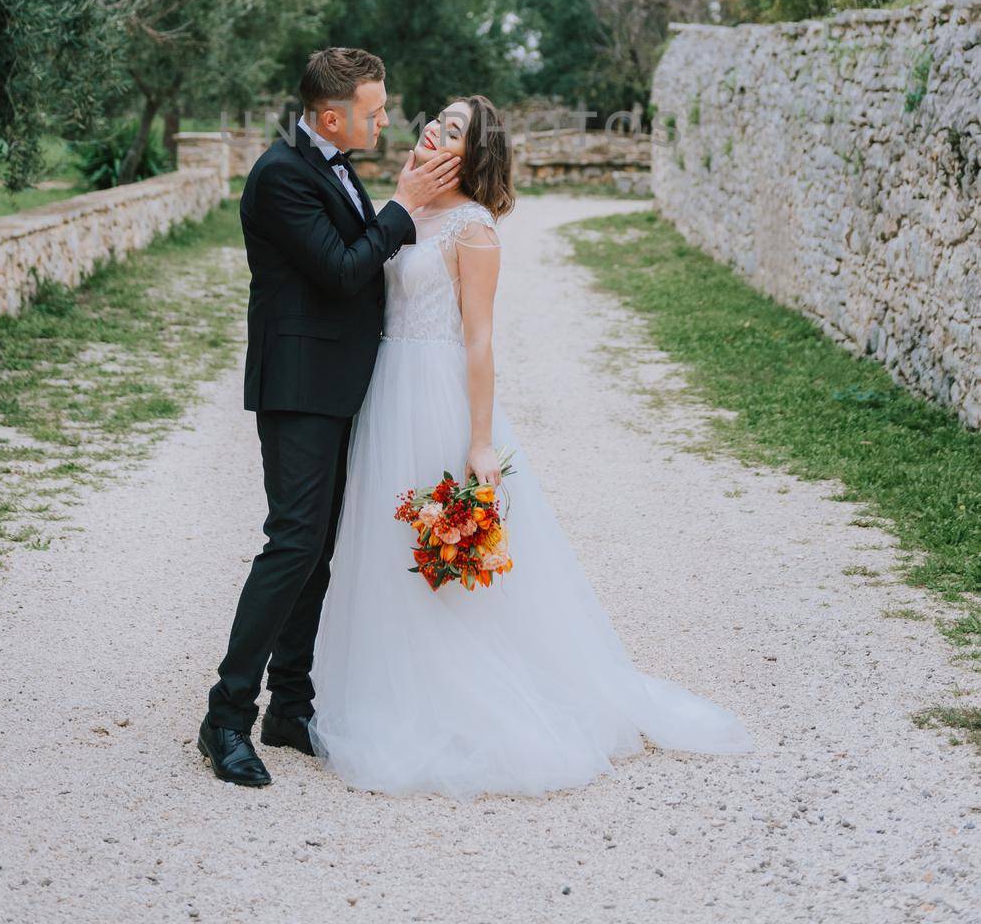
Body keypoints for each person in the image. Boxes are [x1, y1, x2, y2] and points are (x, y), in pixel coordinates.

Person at [303, 94, 754, 796]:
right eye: (437, 119)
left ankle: (462, 695)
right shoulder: (403, 210)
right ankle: (388, 682)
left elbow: (479, 338)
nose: (433, 129)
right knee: (384, 545)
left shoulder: (473, 227)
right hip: (382, 391)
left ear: (473, 155)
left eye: (453, 130)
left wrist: (480, 441)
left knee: (443, 549)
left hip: (435, 393)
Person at [198, 47, 460, 787]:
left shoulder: (332, 168)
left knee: (317, 552)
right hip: (299, 387)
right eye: (375, 111)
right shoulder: (281, 176)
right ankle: (225, 717)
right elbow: (345, 269)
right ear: (332, 115)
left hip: (338, 386)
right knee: (291, 545)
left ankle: (290, 704)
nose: (385, 120)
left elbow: (355, 255)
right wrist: (404, 208)